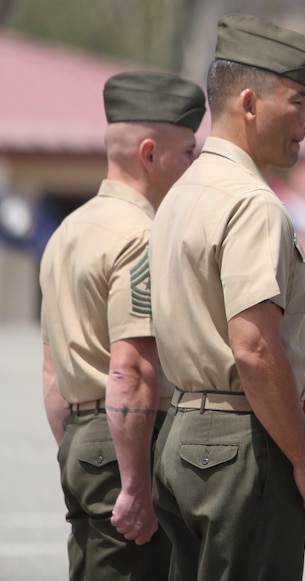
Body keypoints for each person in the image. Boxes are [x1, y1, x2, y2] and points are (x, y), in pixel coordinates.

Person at [149, 13, 305, 580]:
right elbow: (254, 349)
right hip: (241, 442)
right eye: (299, 100)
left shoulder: (181, 194)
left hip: (183, 431)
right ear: (251, 104)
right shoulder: (251, 203)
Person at [40, 70, 206, 580]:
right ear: (150, 154)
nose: (194, 167)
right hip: (127, 444)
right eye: (187, 154)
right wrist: (133, 484)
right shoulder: (141, 237)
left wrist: (81, 448)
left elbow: (52, 374)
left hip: (85, 438)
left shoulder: (67, 233)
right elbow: (131, 369)